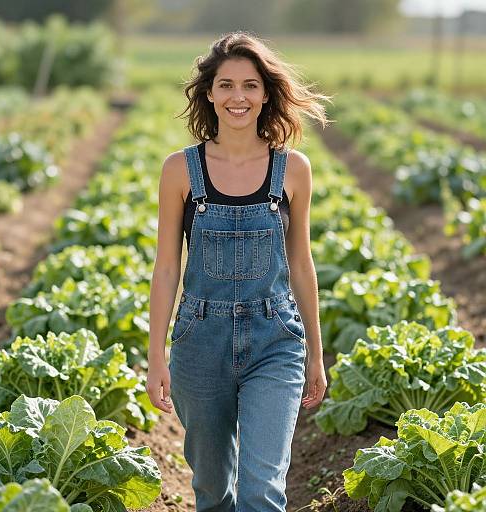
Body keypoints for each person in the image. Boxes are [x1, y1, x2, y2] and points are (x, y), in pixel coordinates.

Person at [146, 31, 329, 512]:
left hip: (276, 340)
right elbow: (167, 269)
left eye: (250, 85)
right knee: (211, 490)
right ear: (209, 93)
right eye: (226, 85)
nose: (238, 97)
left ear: (266, 93)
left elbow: (301, 263)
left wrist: (315, 351)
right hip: (199, 343)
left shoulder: (293, 170)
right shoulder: (179, 170)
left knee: (261, 490)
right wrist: (155, 356)